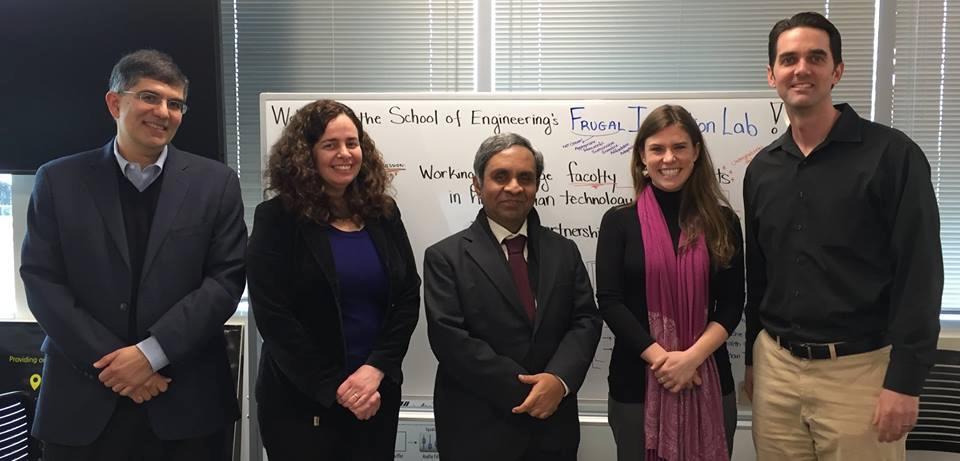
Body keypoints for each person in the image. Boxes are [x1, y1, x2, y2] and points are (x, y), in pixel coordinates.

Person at [19, 49, 246, 460]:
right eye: (149, 97)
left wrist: (150, 355)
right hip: (81, 401)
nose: (163, 112)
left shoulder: (217, 184)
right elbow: (42, 280)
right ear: (114, 103)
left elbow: (224, 282)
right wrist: (116, 365)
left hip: (186, 401)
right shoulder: (58, 180)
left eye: (175, 104)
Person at [743, 11, 943, 460]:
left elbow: (921, 275)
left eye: (816, 57)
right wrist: (754, 362)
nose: (801, 69)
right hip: (777, 370)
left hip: (860, 373)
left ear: (837, 71)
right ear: (771, 74)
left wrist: (905, 383)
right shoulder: (762, 169)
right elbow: (760, 275)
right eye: (789, 59)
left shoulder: (893, 157)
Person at [246, 99, 421, 460]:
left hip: (375, 395)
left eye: (352, 143)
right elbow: (274, 316)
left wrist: (376, 369)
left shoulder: (383, 213)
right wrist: (335, 388)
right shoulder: (277, 219)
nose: (344, 153)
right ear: (305, 154)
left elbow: (406, 295)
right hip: (301, 401)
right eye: (330, 144)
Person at [423, 132, 602, 461]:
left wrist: (558, 381)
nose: (514, 187)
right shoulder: (445, 257)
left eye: (525, 178)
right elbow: (450, 340)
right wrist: (531, 391)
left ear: (536, 185)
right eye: (501, 176)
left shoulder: (564, 251)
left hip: (553, 426)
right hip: (477, 428)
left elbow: (586, 321)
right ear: (477, 184)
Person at [596, 104, 743, 461]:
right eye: (657, 149)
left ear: (696, 152)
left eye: (679, 147)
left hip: (707, 374)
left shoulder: (723, 222)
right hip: (636, 383)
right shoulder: (618, 222)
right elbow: (611, 302)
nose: (668, 158)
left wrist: (691, 359)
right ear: (642, 157)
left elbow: (732, 303)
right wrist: (665, 362)